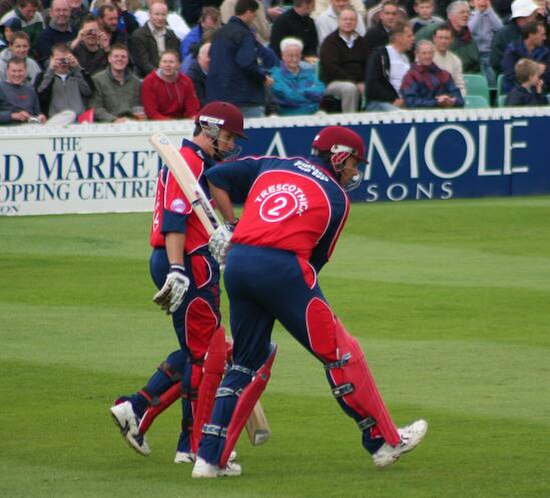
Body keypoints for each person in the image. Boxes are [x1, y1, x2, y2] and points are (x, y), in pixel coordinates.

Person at [191, 125, 428, 478]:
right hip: (283, 267)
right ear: (339, 157)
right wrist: (281, 288)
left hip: (238, 261)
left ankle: (209, 460)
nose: (353, 171)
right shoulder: (337, 198)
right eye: (353, 163)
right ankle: (383, 441)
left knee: (244, 362)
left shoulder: (273, 163)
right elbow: (315, 263)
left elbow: (215, 175)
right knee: (341, 352)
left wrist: (230, 225)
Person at [110, 101, 246, 464]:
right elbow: (175, 218)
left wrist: (227, 226)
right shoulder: (185, 161)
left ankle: (137, 409)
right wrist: (176, 268)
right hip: (187, 261)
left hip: (191, 260)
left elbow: (212, 199)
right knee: (207, 355)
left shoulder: (202, 164)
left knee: (194, 350)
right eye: (229, 136)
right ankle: (197, 444)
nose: (231, 144)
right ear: (212, 130)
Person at [206, 0, 274, 118]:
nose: (254, 18)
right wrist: (262, 77)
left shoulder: (219, 33)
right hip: (243, 97)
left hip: (217, 96)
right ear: (248, 12)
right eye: (254, 14)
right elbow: (247, 63)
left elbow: (210, 57)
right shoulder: (244, 34)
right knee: (252, 135)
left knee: (221, 135)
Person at [319, 5, 367, 112]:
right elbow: (332, 69)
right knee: (349, 88)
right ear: (339, 21)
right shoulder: (330, 42)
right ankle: (351, 122)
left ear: (356, 22)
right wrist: (355, 82)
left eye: (352, 19)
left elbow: (368, 65)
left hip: (359, 82)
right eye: (345, 19)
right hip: (334, 83)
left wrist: (364, 82)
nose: (348, 22)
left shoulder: (363, 42)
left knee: (374, 87)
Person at [416, 0, 480, 74]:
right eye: (462, 12)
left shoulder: (470, 37)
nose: (466, 15)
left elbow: (476, 65)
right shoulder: (432, 30)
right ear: (450, 15)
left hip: (465, 77)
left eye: (467, 12)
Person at [365, 21, 413, 111]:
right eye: (409, 36)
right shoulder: (380, 55)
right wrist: (392, 99)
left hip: (404, 102)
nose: (413, 39)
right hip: (381, 103)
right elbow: (372, 84)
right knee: (401, 116)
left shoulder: (406, 58)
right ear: (399, 38)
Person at [35, 42, 93, 117]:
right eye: (59, 60)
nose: (62, 63)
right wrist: (50, 71)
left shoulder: (77, 74)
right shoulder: (42, 76)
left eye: (65, 59)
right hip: (56, 120)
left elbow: (88, 92)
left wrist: (77, 68)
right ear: (51, 58)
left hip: (79, 119)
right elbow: (41, 96)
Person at [269, 36, 324, 114]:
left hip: (312, 113)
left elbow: (321, 92)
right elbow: (290, 97)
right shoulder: (276, 76)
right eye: (291, 56)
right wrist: (310, 92)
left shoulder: (309, 73)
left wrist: (300, 92)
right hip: (289, 116)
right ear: (283, 55)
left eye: (297, 55)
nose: (294, 59)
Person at [401, 39, 463, 107]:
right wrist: (436, 102)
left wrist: (452, 101)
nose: (427, 56)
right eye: (424, 53)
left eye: (430, 53)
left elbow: (459, 99)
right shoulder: (410, 77)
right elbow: (410, 102)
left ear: (433, 53)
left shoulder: (445, 75)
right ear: (417, 54)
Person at [89, 43, 142, 122]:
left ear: (127, 60)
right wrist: (114, 120)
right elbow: (95, 108)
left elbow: (139, 107)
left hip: (132, 123)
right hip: (108, 124)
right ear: (109, 59)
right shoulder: (97, 80)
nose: (120, 59)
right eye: (116, 56)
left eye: (123, 57)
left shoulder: (136, 82)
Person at [141, 49, 199, 120]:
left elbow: (192, 109)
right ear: (159, 64)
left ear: (178, 65)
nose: (167, 65)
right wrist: (170, 121)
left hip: (181, 121)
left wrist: (193, 118)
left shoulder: (186, 81)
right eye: (164, 62)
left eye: (171, 62)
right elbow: (151, 112)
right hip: (157, 122)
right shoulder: (149, 81)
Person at [490, 0, 540, 78]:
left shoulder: (537, 33)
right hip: (511, 82)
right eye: (533, 15)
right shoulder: (502, 36)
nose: (535, 18)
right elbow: (496, 63)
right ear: (522, 18)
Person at [130, 0, 180, 78]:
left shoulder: (171, 35)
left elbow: (175, 57)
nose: (160, 18)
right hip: (148, 77)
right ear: (149, 15)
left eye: (163, 15)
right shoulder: (138, 35)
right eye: (157, 14)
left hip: (170, 75)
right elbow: (144, 64)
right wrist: (161, 75)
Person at [501, 20, 550, 93]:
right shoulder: (512, 51)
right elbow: (510, 76)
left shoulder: (545, 52)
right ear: (531, 35)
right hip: (516, 94)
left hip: (540, 93)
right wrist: (534, 71)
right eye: (542, 35)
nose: (544, 38)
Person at [0, 55, 45, 123]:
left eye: (20, 71)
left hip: (29, 128)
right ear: (7, 71)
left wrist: (40, 117)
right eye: (14, 71)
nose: (17, 74)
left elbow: (37, 113)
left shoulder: (30, 90)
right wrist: (12, 116)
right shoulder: (1, 88)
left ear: (25, 71)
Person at [468, 0, 502, 86]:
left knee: (491, 78)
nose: (482, 1)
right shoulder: (469, 15)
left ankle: (492, 93)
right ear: (472, 3)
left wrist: (490, 11)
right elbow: (469, 30)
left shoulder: (490, 15)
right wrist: (479, 13)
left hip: (488, 52)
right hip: (474, 54)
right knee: (478, 79)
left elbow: (500, 28)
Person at [432, 24, 465, 96]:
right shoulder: (425, 56)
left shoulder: (455, 60)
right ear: (434, 38)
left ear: (451, 40)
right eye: (440, 38)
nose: (443, 41)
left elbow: (459, 85)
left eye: (446, 38)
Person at [364, 1, 400, 65]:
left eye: (394, 14)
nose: (390, 17)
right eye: (387, 14)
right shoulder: (371, 35)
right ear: (381, 16)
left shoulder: (403, 33)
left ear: (398, 16)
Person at [187, 40, 210, 107]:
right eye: (208, 56)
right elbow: (200, 101)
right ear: (199, 58)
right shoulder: (192, 76)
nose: (211, 59)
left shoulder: (219, 71)